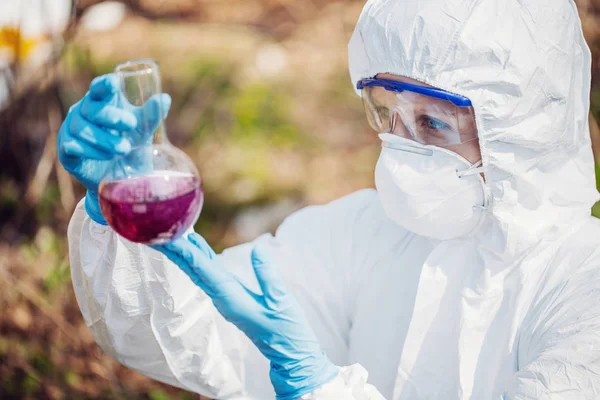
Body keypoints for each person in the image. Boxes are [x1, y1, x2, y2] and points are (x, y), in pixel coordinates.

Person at [58, 0, 600, 398]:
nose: (402, 147)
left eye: (433, 123)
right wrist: (115, 218)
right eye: (390, 111)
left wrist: (321, 390)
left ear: (524, 131)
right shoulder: (370, 230)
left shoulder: (582, 292)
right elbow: (189, 338)